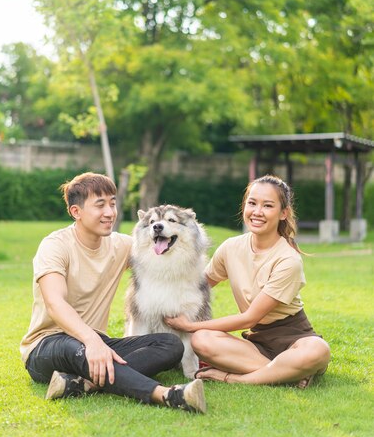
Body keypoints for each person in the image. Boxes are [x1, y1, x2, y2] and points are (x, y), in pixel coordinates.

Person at [20, 172, 206, 413]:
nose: (109, 212)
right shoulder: (54, 245)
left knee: (170, 345)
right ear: (76, 212)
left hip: (99, 343)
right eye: (100, 205)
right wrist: (90, 340)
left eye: (112, 203)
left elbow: (172, 255)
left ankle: (82, 384)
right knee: (73, 348)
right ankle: (168, 395)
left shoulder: (121, 245)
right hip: (48, 345)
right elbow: (56, 305)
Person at [166, 174, 331, 389]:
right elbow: (199, 286)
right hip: (257, 344)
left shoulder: (289, 260)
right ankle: (286, 373)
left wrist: (190, 326)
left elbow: (249, 318)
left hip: (295, 338)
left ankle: (236, 377)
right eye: (252, 203)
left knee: (318, 350)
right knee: (201, 340)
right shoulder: (231, 247)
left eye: (268, 206)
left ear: (284, 213)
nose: (257, 212)